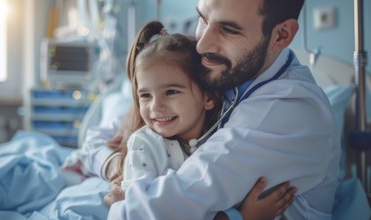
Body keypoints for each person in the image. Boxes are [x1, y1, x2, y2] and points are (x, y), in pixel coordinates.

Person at [105, 0, 341, 219]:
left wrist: (126, 197)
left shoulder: (291, 109)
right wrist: (110, 164)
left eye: (229, 29)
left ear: (281, 35)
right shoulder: (229, 75)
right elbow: (106, 136)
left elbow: (142, 212)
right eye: (203, 19)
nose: (202, 44)